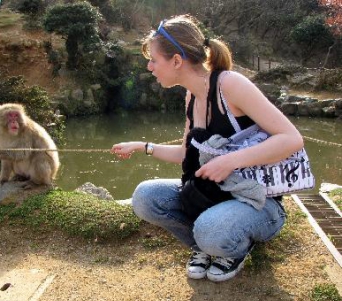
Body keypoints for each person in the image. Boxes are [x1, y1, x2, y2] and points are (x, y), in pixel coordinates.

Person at [110, 15, 304, 282]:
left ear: (176, 61)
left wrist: (230, 161)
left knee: (210, 229)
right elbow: (184, 154)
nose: (149, 66)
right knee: (145, 197)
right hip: (215, 196)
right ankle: (204, 245)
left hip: (258, 203)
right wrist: (143, 146)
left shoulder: (230, 85)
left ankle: (231, 247)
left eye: (154, 60)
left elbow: (291, 138)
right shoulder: (192, 96)